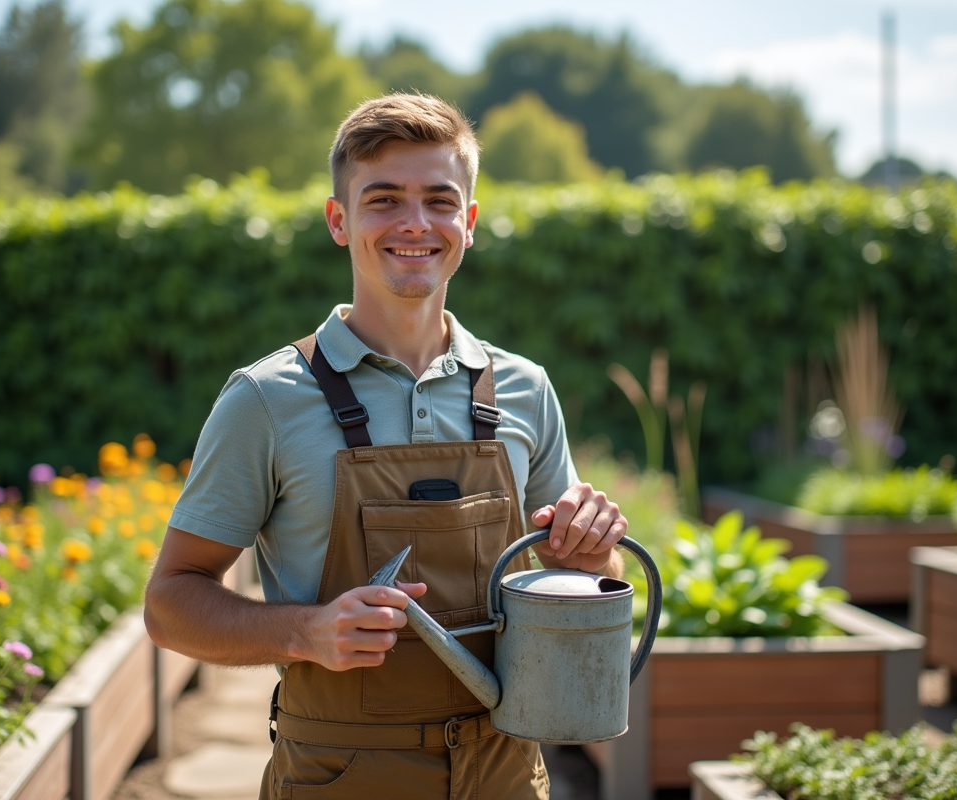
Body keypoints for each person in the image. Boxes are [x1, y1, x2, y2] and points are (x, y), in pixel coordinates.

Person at [144, 93, 627, 800]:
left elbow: (583, 577)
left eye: (439, 199)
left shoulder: (524, 389)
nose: (414, 222)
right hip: (339, 773)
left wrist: (591, 557)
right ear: (339, 221)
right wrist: (306, 632)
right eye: (384, 200)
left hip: (506, 772)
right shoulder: (265, 399)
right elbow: (170, 603)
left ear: (469, 221)